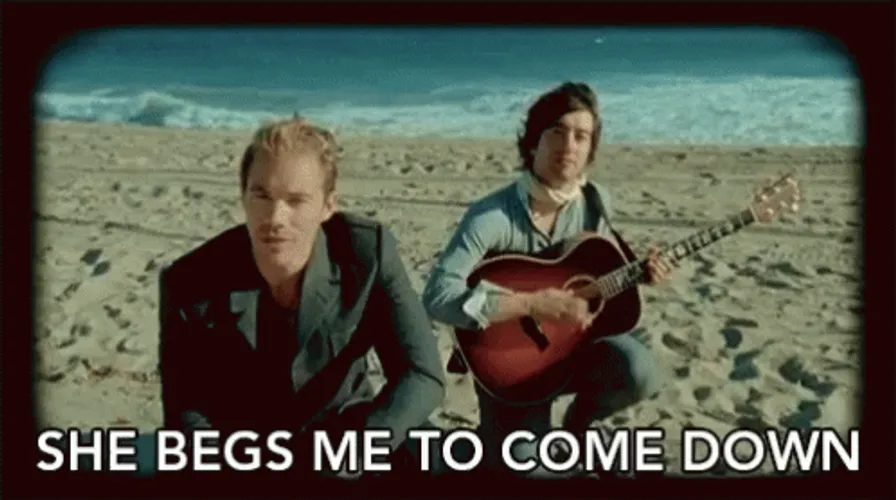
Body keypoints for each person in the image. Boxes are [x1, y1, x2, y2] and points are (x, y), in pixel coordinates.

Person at [70, 116, 447, 479]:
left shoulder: (367, 254)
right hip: (244, 453)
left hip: (345, 435)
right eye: (261, 195)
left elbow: (421, 374)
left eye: (296, 200)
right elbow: (188, 414)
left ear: (327, 205)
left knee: (435, 451)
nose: (275, 217)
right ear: (243, 195)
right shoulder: (189, 283)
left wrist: (361, 448)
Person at [421, 82, 673, 478]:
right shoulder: (492, 217)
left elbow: (596, 271)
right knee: (527, 470)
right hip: (509, 369)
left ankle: (578, 428)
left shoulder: (595, 203)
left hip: (571, 351)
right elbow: (437, 295)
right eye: (557, 132)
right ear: (533, 142)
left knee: (639, 371)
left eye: (581, 136)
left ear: (591, 148)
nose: (568, 146)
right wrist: (531, 304)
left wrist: (641, 271)